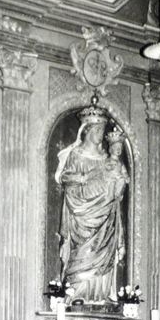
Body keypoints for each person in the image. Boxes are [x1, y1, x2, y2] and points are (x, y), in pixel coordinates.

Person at [55, 101, 128, 304]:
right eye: (98, 130)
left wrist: (115, 188)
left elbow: (117, 187)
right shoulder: (76, 155)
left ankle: (99, 295)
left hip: (105, 219)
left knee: (102, 253)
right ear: (88, 130)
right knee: (81, 255)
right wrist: (85, 180)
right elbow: (67, 179)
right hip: (81, 215)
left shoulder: (107, 159)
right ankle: (77, 294)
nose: (101, 135)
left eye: (102, 130)